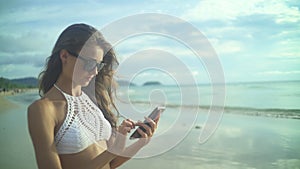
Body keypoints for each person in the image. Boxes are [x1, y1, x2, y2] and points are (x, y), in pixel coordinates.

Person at [27, 23, 160, 169]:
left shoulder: (93, 101)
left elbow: (110, 164)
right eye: (90, 63)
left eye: (98, 65)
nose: (95, 72)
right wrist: (113, 150)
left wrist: (141, 143)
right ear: (64, 56)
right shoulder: (43, 109)